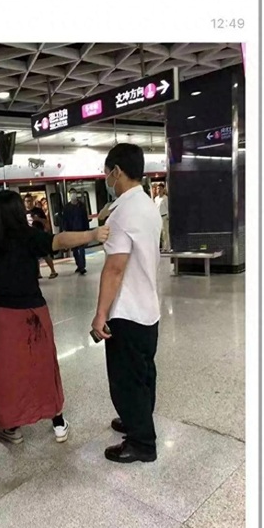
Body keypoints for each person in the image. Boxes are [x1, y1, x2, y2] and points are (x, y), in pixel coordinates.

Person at [0, 190, 110, 445]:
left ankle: (11, 427)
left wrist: (3, 286)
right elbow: (60, 240)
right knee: (44, 365)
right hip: (34, 313)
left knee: (7, 372)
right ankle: (58, 423)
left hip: (3, 317)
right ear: (19, 212)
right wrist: (92, 235)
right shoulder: (30, 236)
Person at [91, 144, 162, 464]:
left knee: (126, 381)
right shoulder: (147, 204)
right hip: (148, 308)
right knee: (144, 372)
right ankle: (139, 418)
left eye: (107, 172)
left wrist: (100, 314)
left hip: (127, 312)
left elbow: (115, 269)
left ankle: (142, 443)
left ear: (117, 171)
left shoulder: (122, 213)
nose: (106, 178)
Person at [23, 194, 58, 279]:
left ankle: (53, 270)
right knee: (33, 256)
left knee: (44, 254)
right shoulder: (23, 213)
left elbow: (45, 221)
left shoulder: (38, 211)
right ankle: (38, 273)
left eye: (30, 201)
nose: (29, 203)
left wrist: (38, 219)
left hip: (39, 235)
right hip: (29, 237)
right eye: (27, 201)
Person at [61, 188, 90, 274]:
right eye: (71, 193)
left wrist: (87, 230)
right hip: (71, 231)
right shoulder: (66, 207)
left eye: (74, 193)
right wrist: (65, 230)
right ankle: (79, 265)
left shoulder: (81, 206)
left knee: (81, 250)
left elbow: (85, 219)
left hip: (81, 231)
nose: (73, 195)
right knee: (75, 251)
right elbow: (65, 220)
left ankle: (82, 267)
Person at [155, 183, 170, 252]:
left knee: (165, 233)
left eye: (160, 189)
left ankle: (167, 247)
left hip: (164, 216)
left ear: (163, 190)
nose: (159, 190)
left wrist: (168, 216)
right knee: (160, 233)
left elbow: (168, 207)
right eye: (158, 189)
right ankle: (162, 247)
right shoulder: (156, 199)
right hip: (158, 217)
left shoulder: (165, 198)